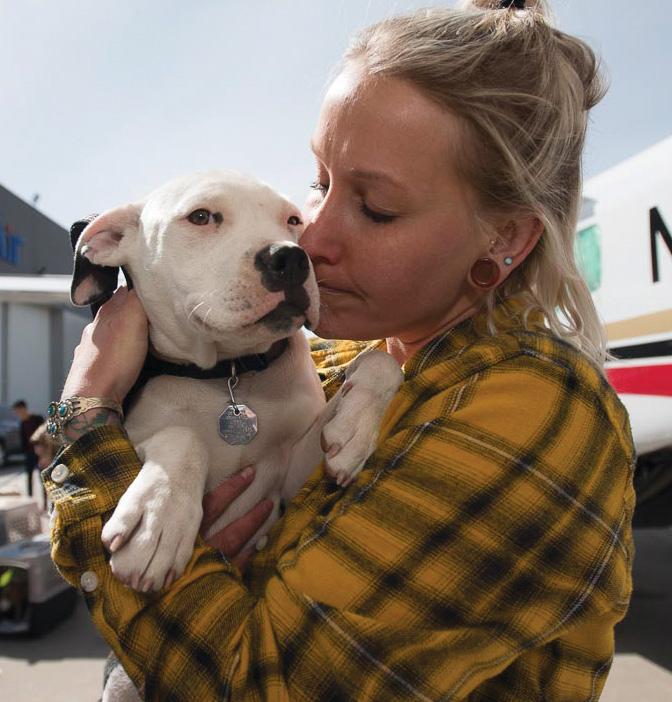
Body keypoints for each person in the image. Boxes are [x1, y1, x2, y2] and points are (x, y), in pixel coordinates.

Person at [43, 1, 635, 700]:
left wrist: (87, 415)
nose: (310, 239)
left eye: (376, 208)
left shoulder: (533, 412)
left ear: (504, 238)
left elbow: (262, 683)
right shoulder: (324, 359)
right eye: (319, 183)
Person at [12, 399, 44, 501]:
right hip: (29, 453)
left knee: (43, 477)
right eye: (16, 412)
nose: (18, 414)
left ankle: (45, 502)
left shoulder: (37, 419)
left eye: (18, 411)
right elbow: (23, 440)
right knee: (29, 477)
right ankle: (30, 500)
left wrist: (42, 448)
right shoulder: (22, 423)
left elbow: (45, 433)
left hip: (40, 453)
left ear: (24, 409)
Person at [29, 422, 58, 510]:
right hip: (48, 460)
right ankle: (48, 506)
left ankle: (49, 506)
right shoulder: (44, 432)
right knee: (49, 485)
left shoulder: (46, 433)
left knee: (51, 486)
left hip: (49, 460)